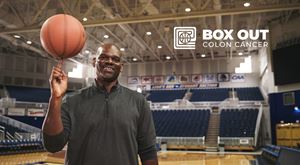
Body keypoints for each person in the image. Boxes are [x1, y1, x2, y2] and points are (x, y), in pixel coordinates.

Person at [42, 43, 158, 165]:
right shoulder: (71, 101)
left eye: (115, 59)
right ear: (94, 62)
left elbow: (148, 152)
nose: (110, 62)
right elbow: (52, 145)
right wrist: (55, 97)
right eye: (103, 57)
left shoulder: (138, 101)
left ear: (121, 66)